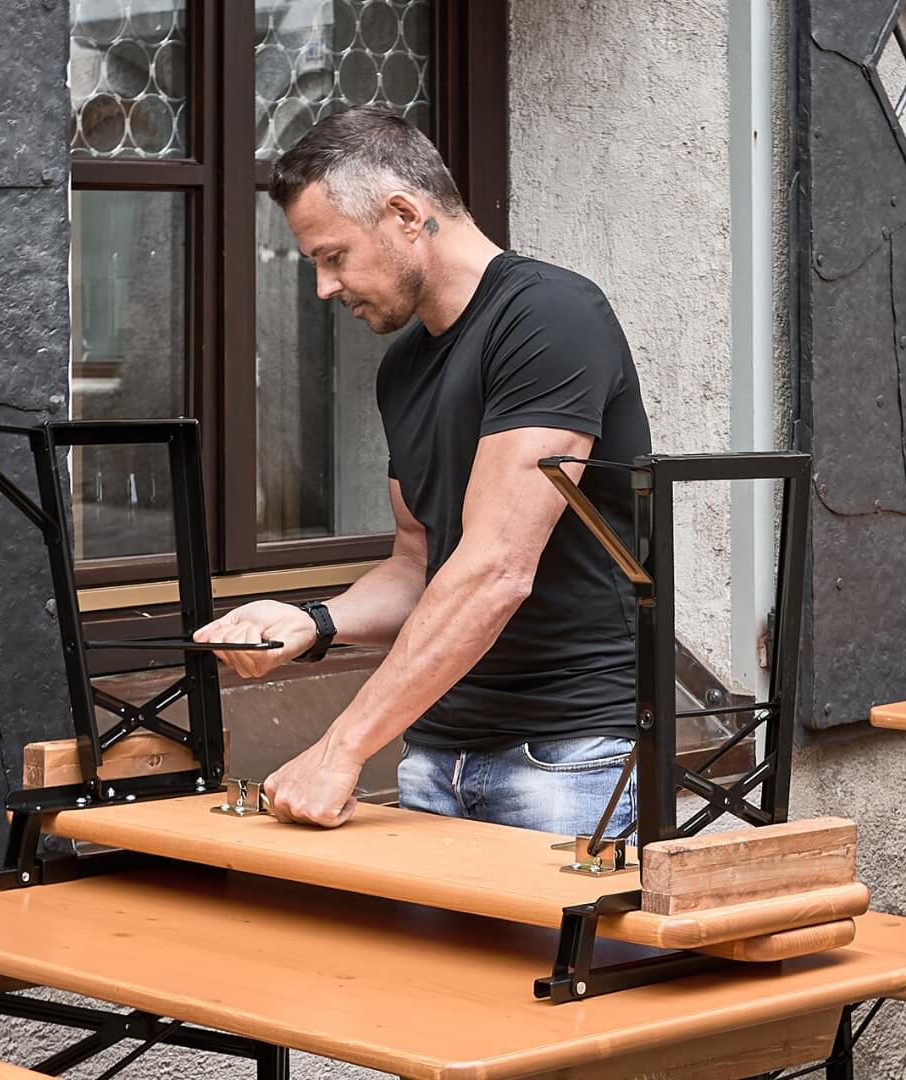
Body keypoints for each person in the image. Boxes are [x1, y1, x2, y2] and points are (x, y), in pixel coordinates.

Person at [193, 107, 653, 835]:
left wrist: (342, 746)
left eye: (333, 255)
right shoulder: (406, 364)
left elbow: (498, 565)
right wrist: (314, 623)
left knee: (541, 957)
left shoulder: (550, 318)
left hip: (566, 757)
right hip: (437, 754)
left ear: (405, 214)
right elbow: (418, 565)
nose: (322, 287)